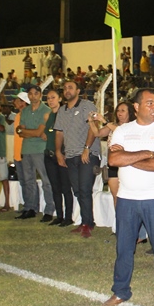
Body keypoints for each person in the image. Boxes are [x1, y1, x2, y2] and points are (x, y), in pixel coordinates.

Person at [103, 89, 154, 306]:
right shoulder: (123, 130)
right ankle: (120, 291)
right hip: (126, 199)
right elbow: (113, 160)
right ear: (136, 107)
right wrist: (147, 153)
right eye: (150, 103)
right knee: (124, 249)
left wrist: (128, 157)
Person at [54, 80, 100, 237]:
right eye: (65, 88)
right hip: (70, 155)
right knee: (78, 191)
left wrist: (86, 148)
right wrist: (58, 152)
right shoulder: (62, 110)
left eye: (70, 87)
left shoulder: (87, 106)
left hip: (88, 154)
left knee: (85, 189)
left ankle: (87, 223)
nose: (67, 90)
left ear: (78, 91)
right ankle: (87, 221)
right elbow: (59, 132)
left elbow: (93, 127)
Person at [15, 86, 55, 222]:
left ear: (40, 95)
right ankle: (30, 208)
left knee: (46, 181)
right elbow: (20, 132)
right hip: (26, 149)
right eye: (31, 94)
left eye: (36, 93)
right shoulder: (25, 111)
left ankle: (49, 210)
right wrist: (32, 133)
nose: (33, 96)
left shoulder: (46, 110)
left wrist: (27, 132)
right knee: (28, 181)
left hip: (40, 150)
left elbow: (37, 132)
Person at [88, 102, 135, 212]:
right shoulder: (112, 125)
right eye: (118, 110)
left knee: (129, 196)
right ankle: (118, 219)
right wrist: (91, 122)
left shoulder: (132, 126)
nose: (119, 113)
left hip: (127, 164)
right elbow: (97, 133)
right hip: (113, 165)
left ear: (130, 113)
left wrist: (104, 121)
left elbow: (121, 131)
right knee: (116, 195)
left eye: (123, 111)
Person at [43, 89, 75, 227]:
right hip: (49, 155)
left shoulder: (64, 115)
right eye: (48, 98)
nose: (50, 100)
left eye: (53, 97)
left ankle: (68, 217)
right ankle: (59, 216)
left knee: (65, 187)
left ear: (60, 99)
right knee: (55, 187)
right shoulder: (48, 116)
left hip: (61, 154)